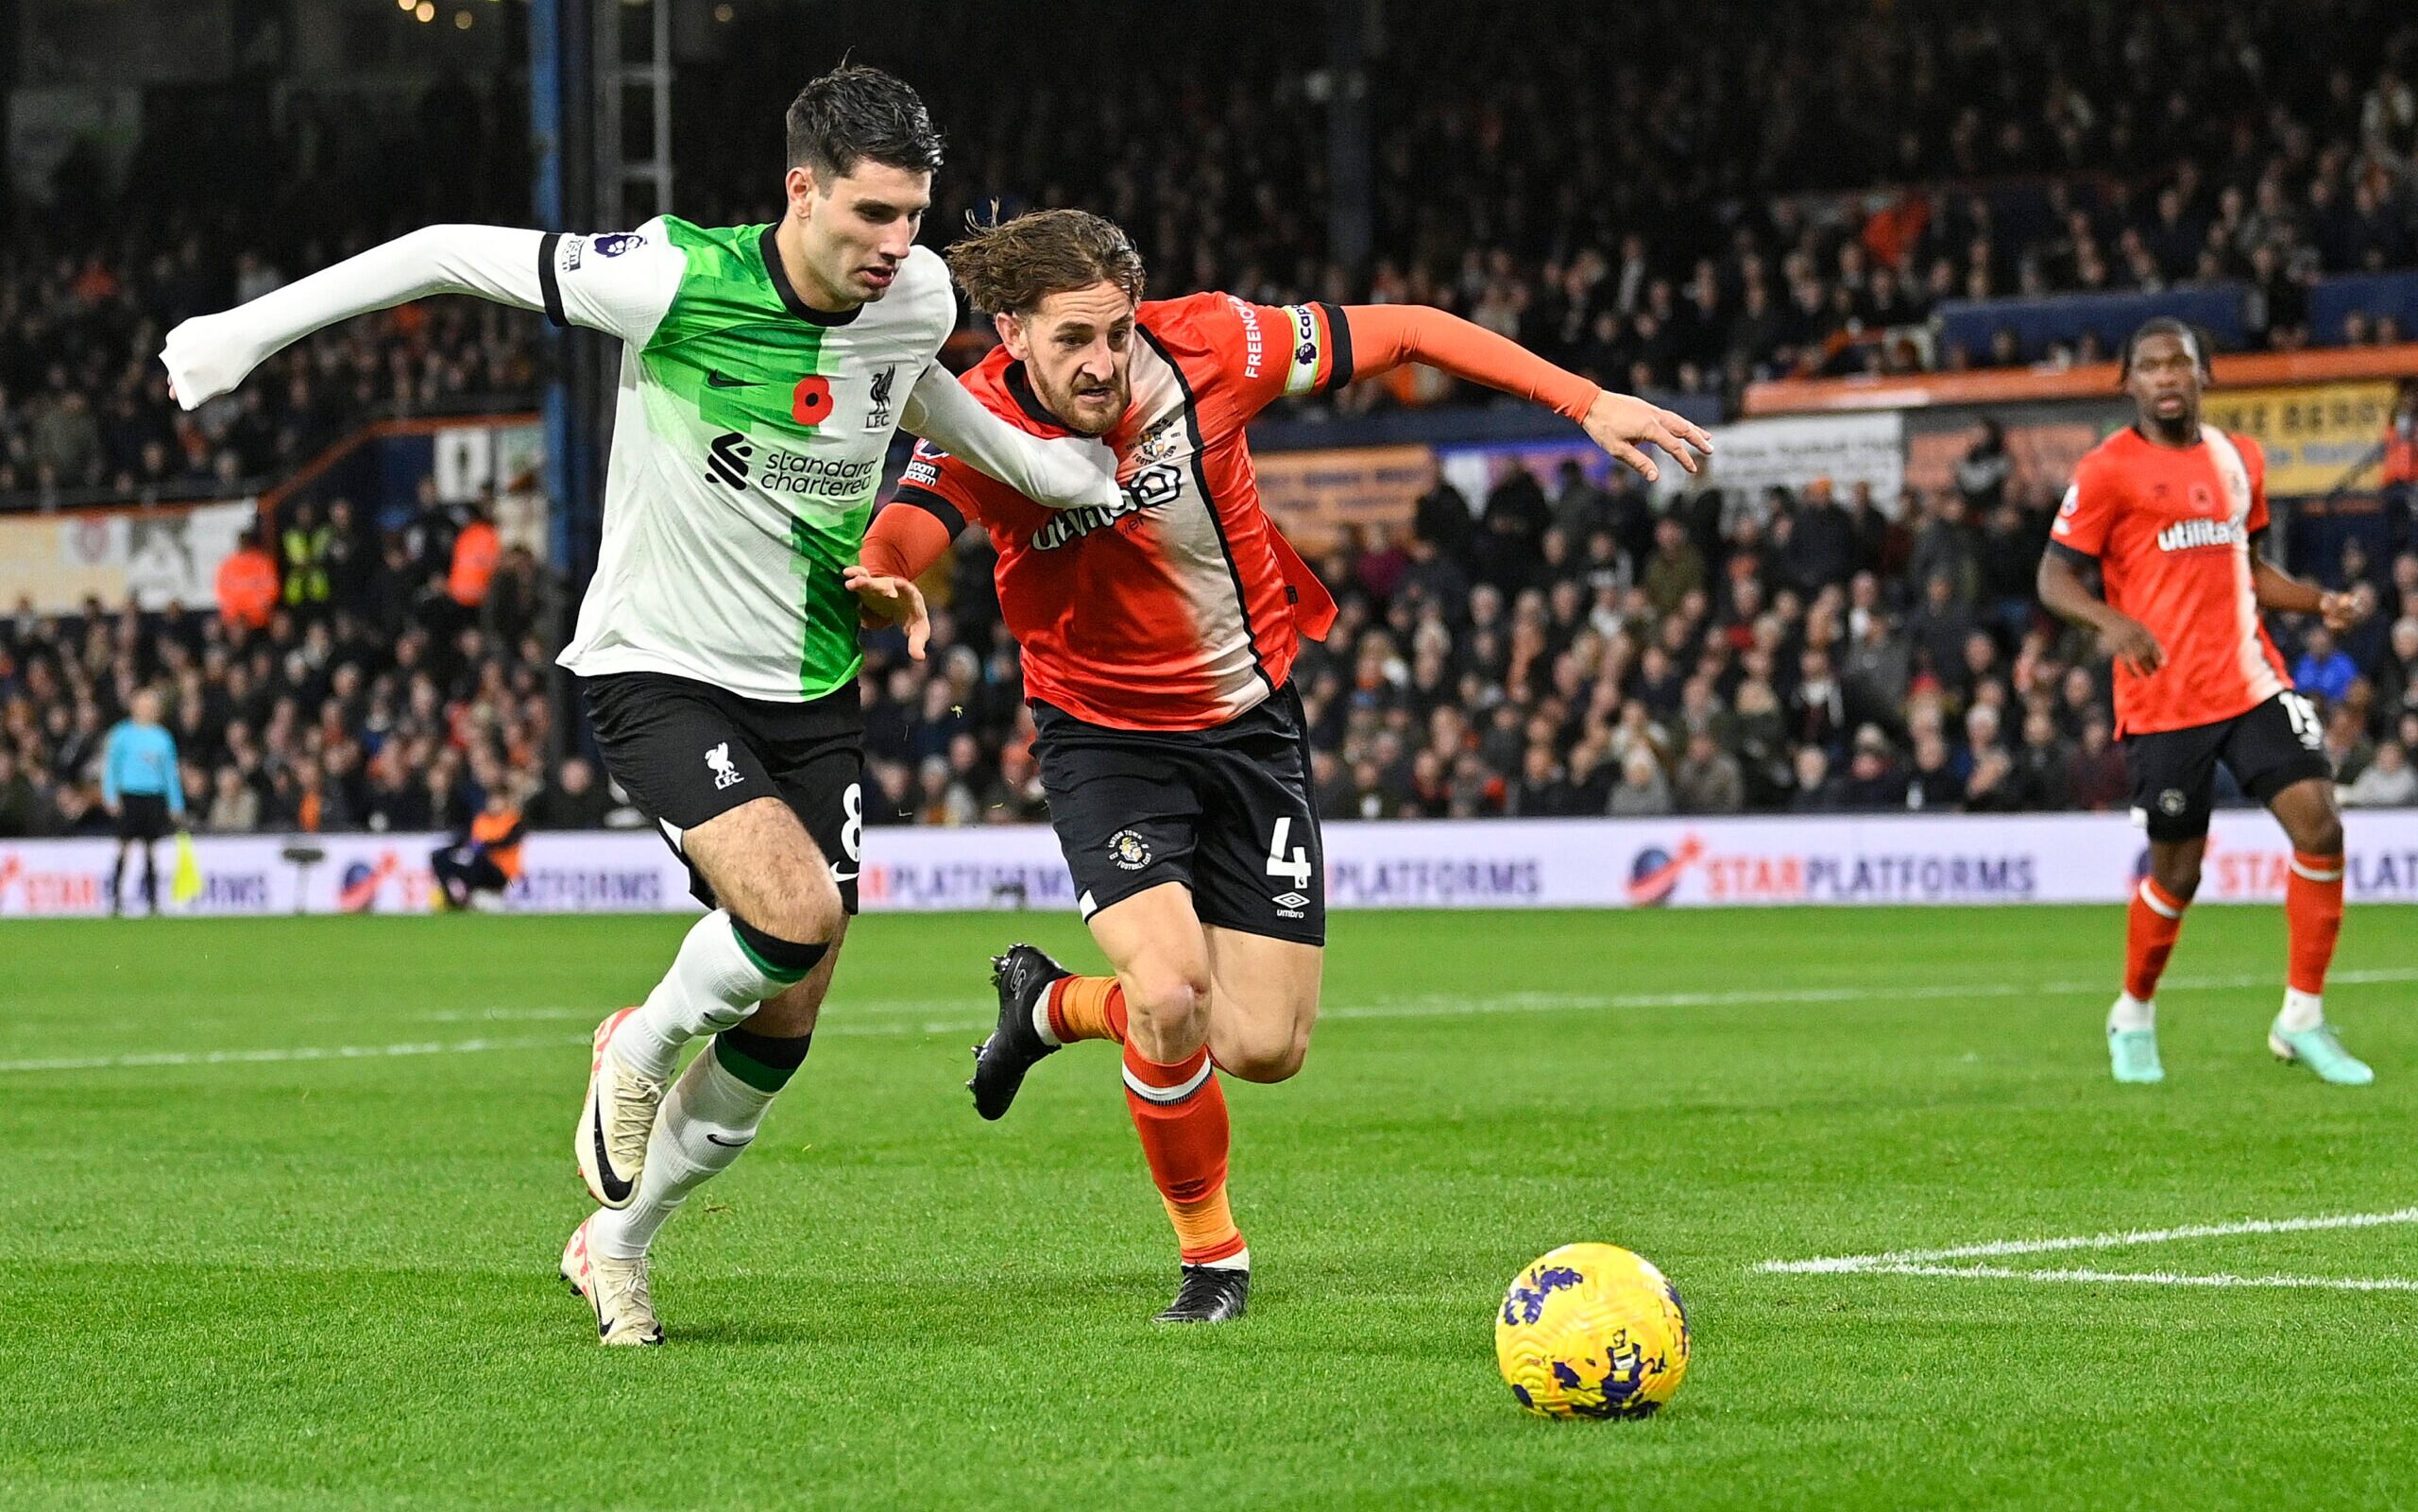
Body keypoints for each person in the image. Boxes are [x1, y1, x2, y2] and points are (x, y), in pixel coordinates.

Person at [159, 65, 1125, 1347]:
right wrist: (245, 333)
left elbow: (914, 390)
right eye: (873, 216)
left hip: (811, 680)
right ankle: (635, 1046)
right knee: (795, 911)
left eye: (913, 215)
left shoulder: (920, 295)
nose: (898, 245)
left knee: (791, 1009)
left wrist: (1041, 469)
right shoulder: (675, 279)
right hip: (657, 664)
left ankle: (615, 1242)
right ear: (802, 190)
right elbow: (447, 250)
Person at [851, 208, 1708, 1322]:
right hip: (1104, 743)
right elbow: (915, 519)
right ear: (1009, 329)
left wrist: (1584, 400)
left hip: (1252, 728)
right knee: (1169, 993)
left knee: (1260, 1045)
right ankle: (1212, 1259)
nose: (1102, 361)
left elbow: (1403, 329)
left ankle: (1051, 1003)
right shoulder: (979, 418)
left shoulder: (1213, 344)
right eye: (1072, 340)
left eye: (1115, 330)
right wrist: (884, 569)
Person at [2038, 317, 2373, 1088]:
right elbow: (2054, 579)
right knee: (2178, 873)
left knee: (2320, 824)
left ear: (2203, 375)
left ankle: (2303, 1016)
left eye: (2179, 364)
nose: (2166, 377)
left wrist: (2317, 600)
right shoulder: (2107, 470)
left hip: (2250, 679)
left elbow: (2248, 566)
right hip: (2163, 696)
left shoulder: (2238, 458)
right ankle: (2133, 1010)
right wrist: (2112, 621)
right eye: (2150, 366)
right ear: (2128, 382)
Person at [100, 687, 186, 916]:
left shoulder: (162, 737)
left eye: (152, 705)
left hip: (154, 796)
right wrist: (110, 795)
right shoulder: (121, 734)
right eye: (144, 704)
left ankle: (153, 901)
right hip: (130, 796)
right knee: (124, 847)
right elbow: (111, 768)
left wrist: (175, 803)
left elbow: (170, 773)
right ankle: (116, 899)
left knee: (151, 850)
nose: (148, 709)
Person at [431, 764, 527, 910]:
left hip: (502, 874)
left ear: (506, 802)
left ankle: (468, 899)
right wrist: (449, 850)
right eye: (492, 800)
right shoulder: (481, 820)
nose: (493, 804)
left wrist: (484, 845)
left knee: (478, 858)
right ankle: (450, 899)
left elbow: (507, 841)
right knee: (439, 858)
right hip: (478, 867)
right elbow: (467, 840)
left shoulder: (514, 821)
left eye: (498, 801)